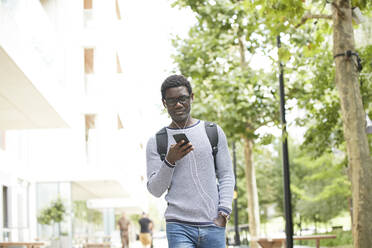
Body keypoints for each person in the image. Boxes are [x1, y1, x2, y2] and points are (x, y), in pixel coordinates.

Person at [146, 75, 235, 248]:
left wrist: (224, 212)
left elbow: (226, 175)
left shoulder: (213, 132)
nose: (178, 104)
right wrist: (169, 161)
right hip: (178, 226)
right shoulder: (157, 141)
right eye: (171, 101)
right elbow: (155, 190)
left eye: (182, 99)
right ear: (164, 103)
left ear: (191, 97)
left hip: (213, 223)